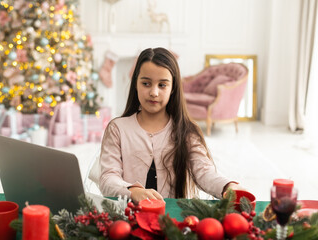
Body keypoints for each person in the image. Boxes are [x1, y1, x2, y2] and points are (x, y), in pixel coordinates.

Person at [99, 47, 244, 203]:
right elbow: (108, 178)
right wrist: (132, 191)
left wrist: (227, 186)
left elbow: (204, 172)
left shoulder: (186, 131)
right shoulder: (117, 128)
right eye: (146, 83)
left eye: (162, 85)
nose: (154, 92)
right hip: (128, 219)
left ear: (173, 88)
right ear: (135, 84)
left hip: (172, 221)